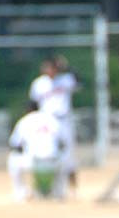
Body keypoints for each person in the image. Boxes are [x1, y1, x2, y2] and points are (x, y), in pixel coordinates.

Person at [28, 55, 80, 195]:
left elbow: (78, 80)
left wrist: (66, 66)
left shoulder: (65, 79)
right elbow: (32, 104)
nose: (48, 70)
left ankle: (73, 188)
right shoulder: (39, 83)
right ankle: (43, 188)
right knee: (46, 152)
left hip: (63, 119)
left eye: (51, 67)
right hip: (47, 120)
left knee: (68, 154)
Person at [7, 102, 68, 200]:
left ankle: (20, 193)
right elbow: (64, 143)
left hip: (33, 161)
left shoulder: (24, 121)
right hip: (54, 160)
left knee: (13, 158)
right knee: (65, 156)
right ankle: (59, 192)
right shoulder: (52, 119)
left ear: (28, 111)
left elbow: (14, 144)